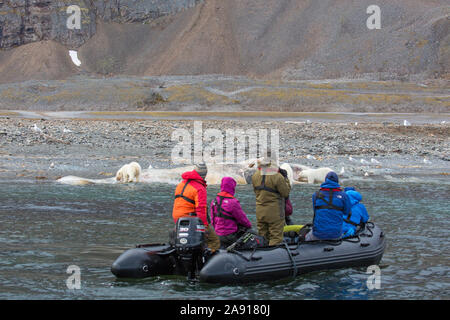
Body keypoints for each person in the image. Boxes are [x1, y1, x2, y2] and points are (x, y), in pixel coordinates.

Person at [172, 163, 220, 251]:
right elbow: (201, 210)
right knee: (214, 241)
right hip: (191, 219)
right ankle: (207, 261)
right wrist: (204, 227)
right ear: (204, 175)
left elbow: (178, 204)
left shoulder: (181, 184)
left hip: (178, 219)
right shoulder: (199, 188)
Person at [252, 157, 291, 246]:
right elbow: (285, 192)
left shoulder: (255, 175)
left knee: (262, 235)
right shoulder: (277, 176)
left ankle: (261, 255)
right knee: (276, 237)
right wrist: (286, 179)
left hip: (260, 211)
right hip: (275, 212)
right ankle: (273, 256)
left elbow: (256, 192)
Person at [305, 171, 351, 241]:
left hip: (318, 234)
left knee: (306, 238)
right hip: (336, 234)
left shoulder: (316, 195)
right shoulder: (344, 196)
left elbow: (315, 211)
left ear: (325, 180)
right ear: (337, 181)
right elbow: (346, 212)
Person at [210, 177, 253, 248]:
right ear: (232, 187)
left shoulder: (214, 201)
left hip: (218, 234)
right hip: (230, 235)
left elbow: (213, 220)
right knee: (250, 233)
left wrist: (218, 230)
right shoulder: (233, 202)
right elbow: (243, 220)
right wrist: (249, 227)